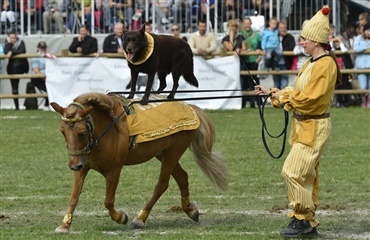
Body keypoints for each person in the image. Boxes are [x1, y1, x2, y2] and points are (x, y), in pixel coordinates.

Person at [255, 6, 341, 238]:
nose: (301, 42)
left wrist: (283, 97)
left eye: (304, 39)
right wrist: (272, 92)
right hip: (303, 126)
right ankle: (306, 221)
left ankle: (302, 217)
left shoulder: (325, 65)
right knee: (305, 175)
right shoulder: (312, 63)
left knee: (292, 173)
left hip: (314, 127)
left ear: (316, 40)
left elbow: (311, 100)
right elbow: (297, 92)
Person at [3, 31, 29, 110]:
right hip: (12, 69)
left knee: (16, 86)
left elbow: (22, 50)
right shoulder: (8, 44)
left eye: (14, 38)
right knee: (14, 88)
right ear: (8, 38)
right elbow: (6, 51)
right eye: (11, 38)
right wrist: (9, 44)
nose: (13, 39)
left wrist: (12, 52)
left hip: (22, 68)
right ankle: (17, 106)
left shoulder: (21, 42)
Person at [240, 16, 262, 108]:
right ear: (243, 24)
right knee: (244, 82)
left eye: (248, 23)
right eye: (245, 23)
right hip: (244, 61)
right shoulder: (240, 35)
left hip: (254, 60)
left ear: (251, 24)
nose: (247, 25)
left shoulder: (257, 35)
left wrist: (259, 57)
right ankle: (243, 103)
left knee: (255, 82)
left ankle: (258, 102)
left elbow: (261, 47)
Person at [272, 21, 295, 89]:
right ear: (278, 29)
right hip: (275, 64)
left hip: (285, 63)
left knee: (284, 85)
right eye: (281, 28)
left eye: (284, 28)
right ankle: (276, 99)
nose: (283, 29)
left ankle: (283, 99)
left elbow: (291, 48)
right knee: (276, 86)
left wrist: (281, 51)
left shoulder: (290, 37)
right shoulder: (273, 37)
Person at [31, 41, 53, 110]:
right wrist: (43, 77)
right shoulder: (36, 57)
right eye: (41, 48)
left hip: (49, 76)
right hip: (38, 78)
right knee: (48, 89)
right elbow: (36, 70)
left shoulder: (49, 56)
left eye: (44, 48)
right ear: (38, 48)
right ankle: (46, 104)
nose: (43, 49)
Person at [353, 22, 370, 108]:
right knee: (363, 86)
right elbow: (355, 48)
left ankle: (369, 102)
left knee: (369, 86)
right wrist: (365, 48)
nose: (368, 32)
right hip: (361, 66)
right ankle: (363, 102)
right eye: (367, 30)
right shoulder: (358, 38)